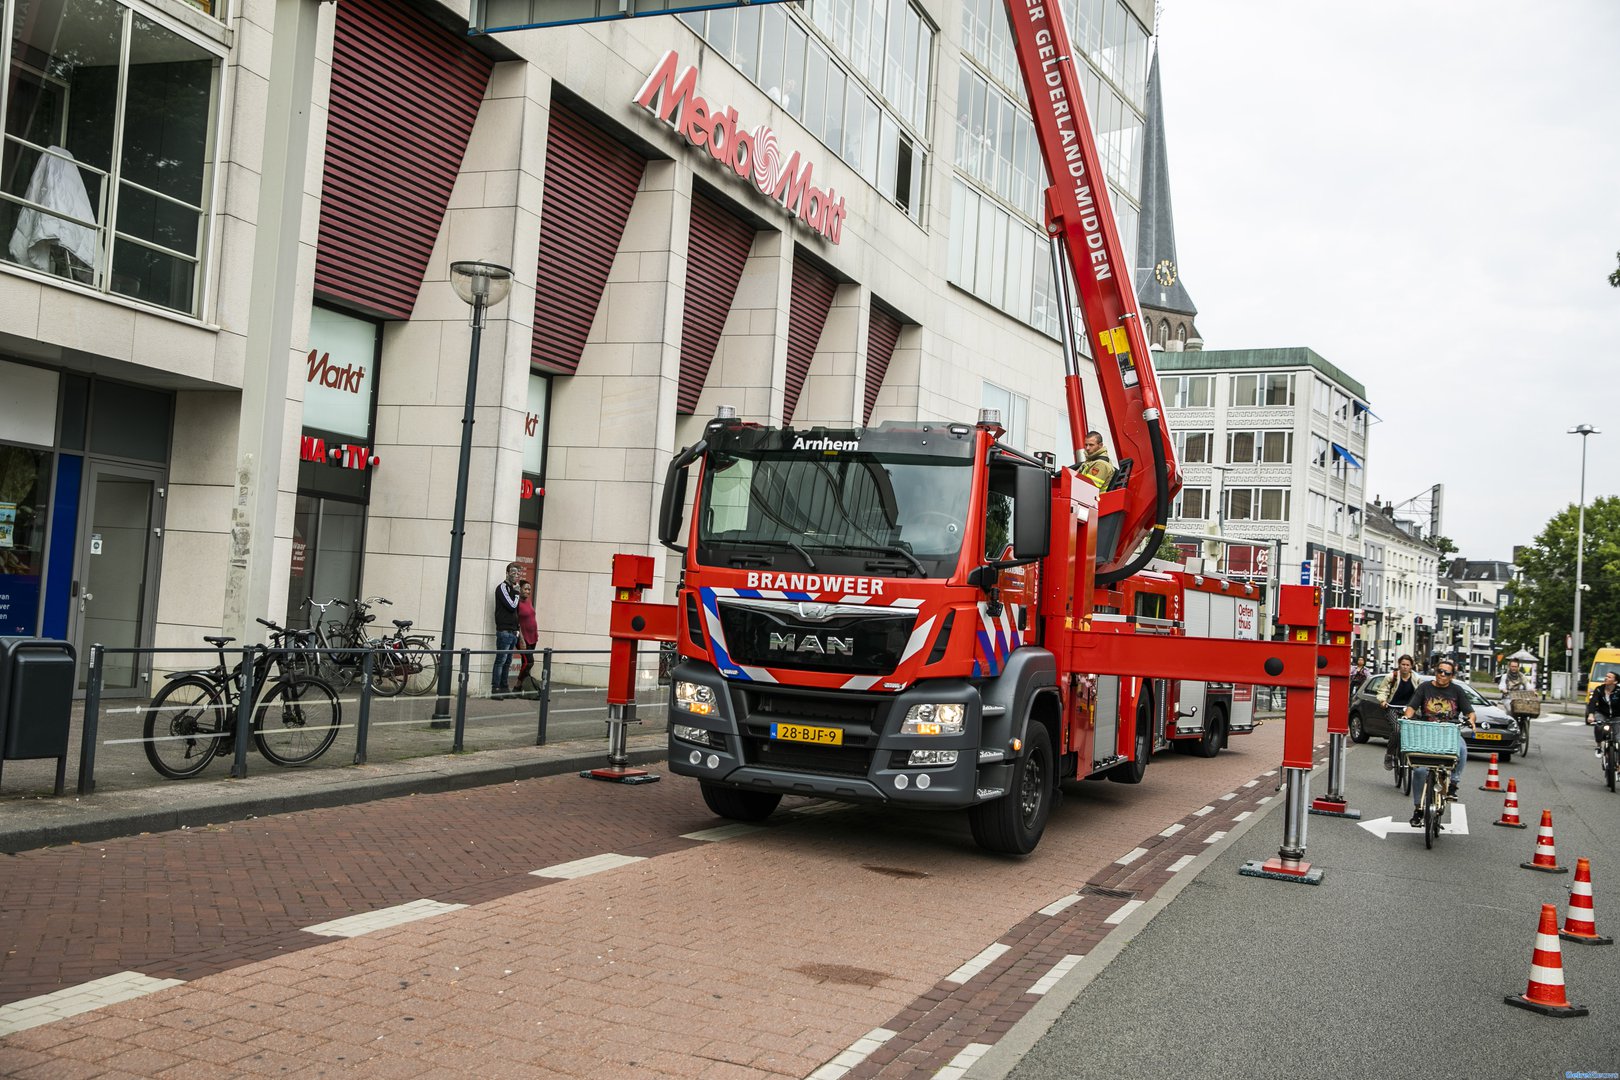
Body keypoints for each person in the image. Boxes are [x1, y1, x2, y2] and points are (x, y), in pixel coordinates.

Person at [1403, 659, 1476, 826]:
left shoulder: (1457, 690)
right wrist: (1407, 717)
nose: (1442, 675)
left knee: (1462, 749)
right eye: (1439, 671)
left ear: (1452, 676)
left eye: (1447, 673)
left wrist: (1471, 720)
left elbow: (1470, 712)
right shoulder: (1425, 687)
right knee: (1420, 771)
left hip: (1449, 732)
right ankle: (1418, 808)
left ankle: (1453, 785)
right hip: (1426, 731)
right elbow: (1412, 706)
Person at [1377, 654, 1419, 769]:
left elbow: (1420, 694)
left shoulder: (1416, 679)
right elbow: (1382, 690)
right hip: (1393, 708)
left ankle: (1414, 756)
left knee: (1416, 729)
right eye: (1403, 664)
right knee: (1397, 729)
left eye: (1407, 665)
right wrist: (1382, 701)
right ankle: (1389, 755)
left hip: (1408, 710)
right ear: (1399, 665)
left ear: (1411, 666)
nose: (1405, 667)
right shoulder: (1392, 676)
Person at [492, 562, 522, 697]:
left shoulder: (513, 589)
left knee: (508, 661)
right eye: (513, 572)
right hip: (504, 630)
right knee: (501, 660)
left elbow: (516, 611)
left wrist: (517, 630)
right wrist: (516, 593)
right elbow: (512, 606)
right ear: (507, 573)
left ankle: (504, 687)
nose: (516, 575)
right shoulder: (503, 587)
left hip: (512, 631)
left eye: (518, 573)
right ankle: (496, 688)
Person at [512, 580, 539, 696]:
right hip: (523, 638)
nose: (527, 591)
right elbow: (517, 622)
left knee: (526, 662)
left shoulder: (528, 601)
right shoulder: (516, 603)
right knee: (529, 662)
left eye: (529, 589)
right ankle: (517, 686)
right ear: (520, 589)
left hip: (532, 636)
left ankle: (524, 688)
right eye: (525, 589)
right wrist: (521, 638)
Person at [1586, 670, 1617, 746]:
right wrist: (1591, 715)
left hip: (1617, 715)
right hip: (1602, 713)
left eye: (1609, 677)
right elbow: (1593, 701)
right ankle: (1599, 745)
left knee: (1618, 738)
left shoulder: (1618, 691)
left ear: (1615, 681)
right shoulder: (1599, 689)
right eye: (1606, 676)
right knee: (1598, 726)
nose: (1606, 678)